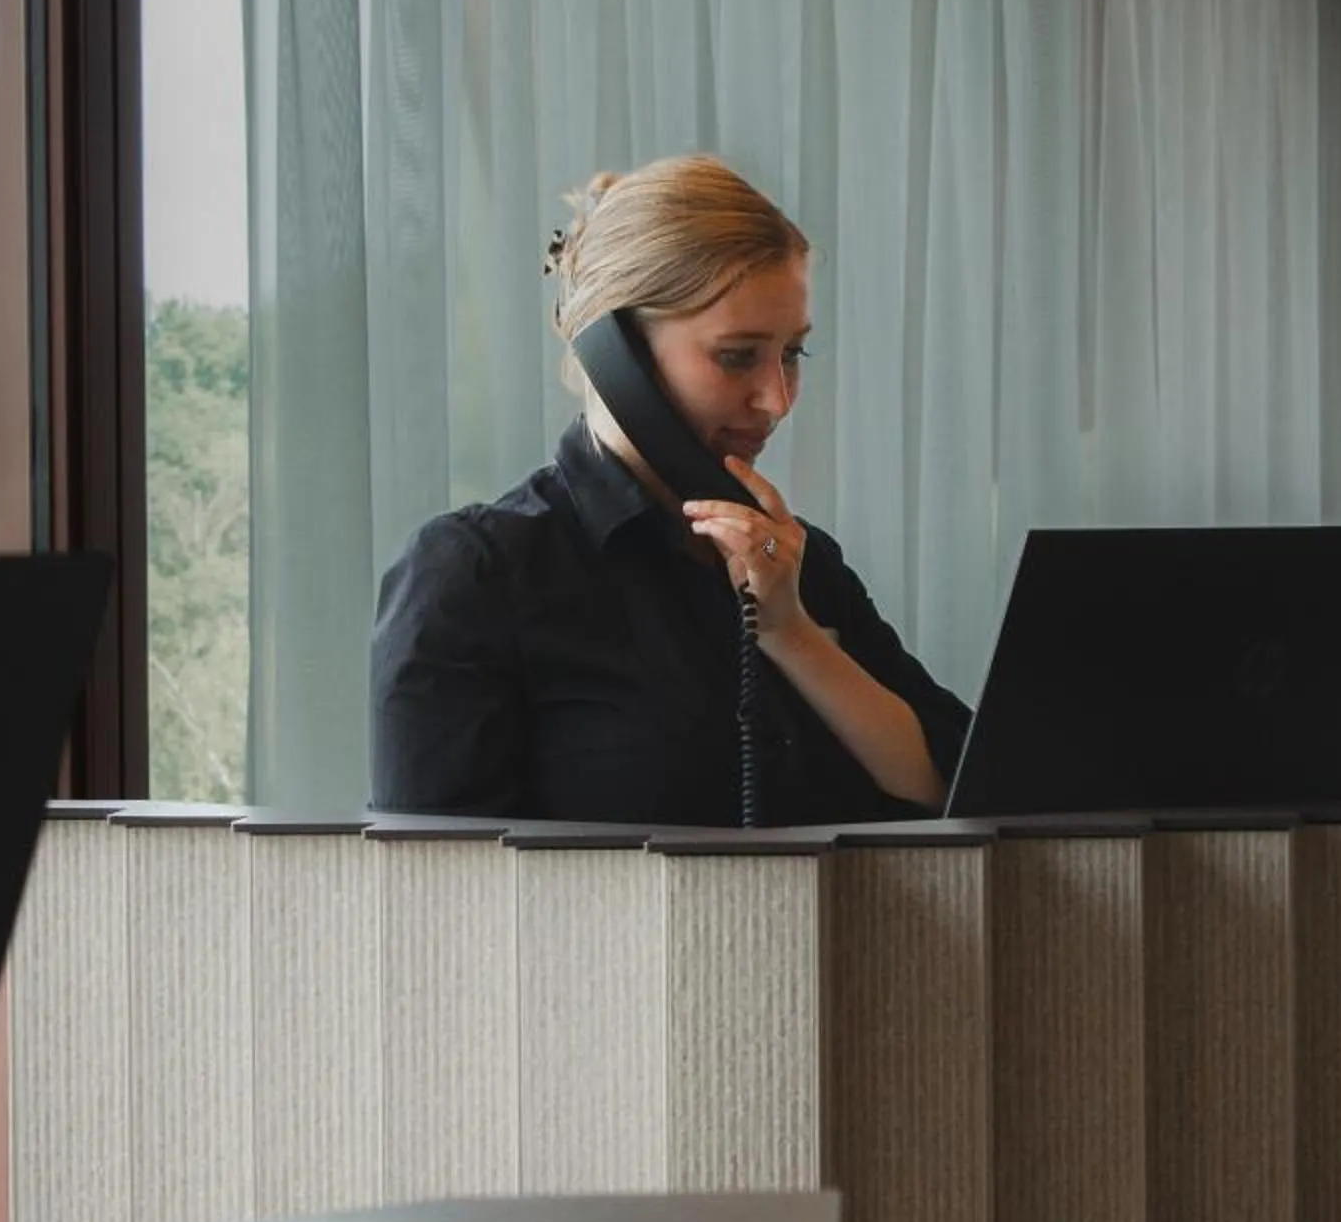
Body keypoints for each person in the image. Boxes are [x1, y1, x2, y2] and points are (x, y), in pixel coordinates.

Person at [370, 154, 971, 825]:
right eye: (737, 356)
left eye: (791, 354)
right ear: (614, 353)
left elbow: (961, 790)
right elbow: (434, 878)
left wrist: (792, 633)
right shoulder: (476, 575)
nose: (777, 400)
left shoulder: (798, 564)